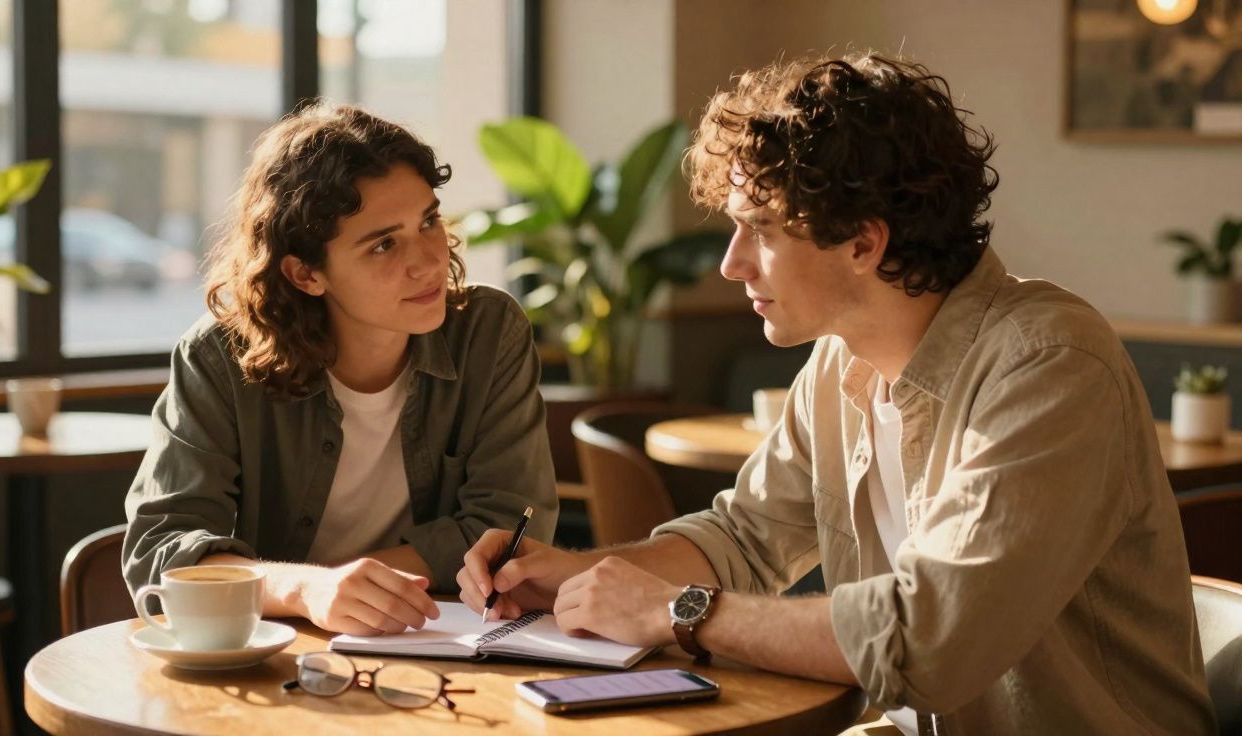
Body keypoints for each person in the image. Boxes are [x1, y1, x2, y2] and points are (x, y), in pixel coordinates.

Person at [456, 54, 1215, 734]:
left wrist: (673, 611)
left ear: (863, 241)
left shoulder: (1049, 364)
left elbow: (931, 643)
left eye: (759, 230)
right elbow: (747, 540)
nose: (730, 265)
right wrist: (578, 578)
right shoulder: (836, 362)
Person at [124, 104, 558, 637]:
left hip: (440, 639)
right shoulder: (218, 357)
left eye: (428, 221)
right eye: (383, 244)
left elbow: (508, 528)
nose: (427, 260)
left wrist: (348, 589)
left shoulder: (488, 334)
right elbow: (161, 554)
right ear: (306, 273)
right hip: (276, 652)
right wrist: (311, 590)